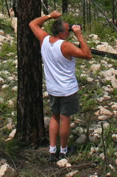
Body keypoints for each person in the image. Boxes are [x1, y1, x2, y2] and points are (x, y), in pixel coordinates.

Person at [28, 10, 92, 162]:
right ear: (63, 33)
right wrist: (79, 35)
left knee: (54, 117)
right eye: (68, 29)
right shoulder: (65, 46)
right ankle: (63, 150)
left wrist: (50, 16)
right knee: (65, 119)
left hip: (52, 88)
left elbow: (33, 23)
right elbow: (87, 54)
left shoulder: (44, 39)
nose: (70, 31)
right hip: (67, 89)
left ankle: (52, 150)